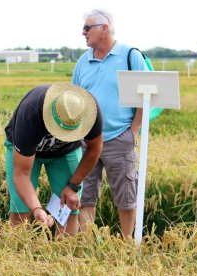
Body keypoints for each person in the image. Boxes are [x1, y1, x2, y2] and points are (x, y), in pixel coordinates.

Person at [72, 9, 148, 238]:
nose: (83, 32)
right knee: (86, 195)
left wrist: (133, 131)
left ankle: (126, 244)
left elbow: (146, 96)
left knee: (126, 195)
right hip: (87, 139)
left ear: (104, 28)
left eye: (87, 28)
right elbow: (74, 97)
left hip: (119, 138)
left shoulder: (130, 56)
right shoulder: (83, 61)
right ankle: (85, 244)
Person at [4, 83, 103, 236]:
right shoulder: (30, 113)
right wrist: (37, 209)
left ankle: (63, 255)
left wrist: (73, 185)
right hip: (26, 154)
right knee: (20, 208)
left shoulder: (89, 110)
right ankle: (19, 254)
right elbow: (21, 174)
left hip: (65, 152)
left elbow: (95, 148)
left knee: (68, 207)